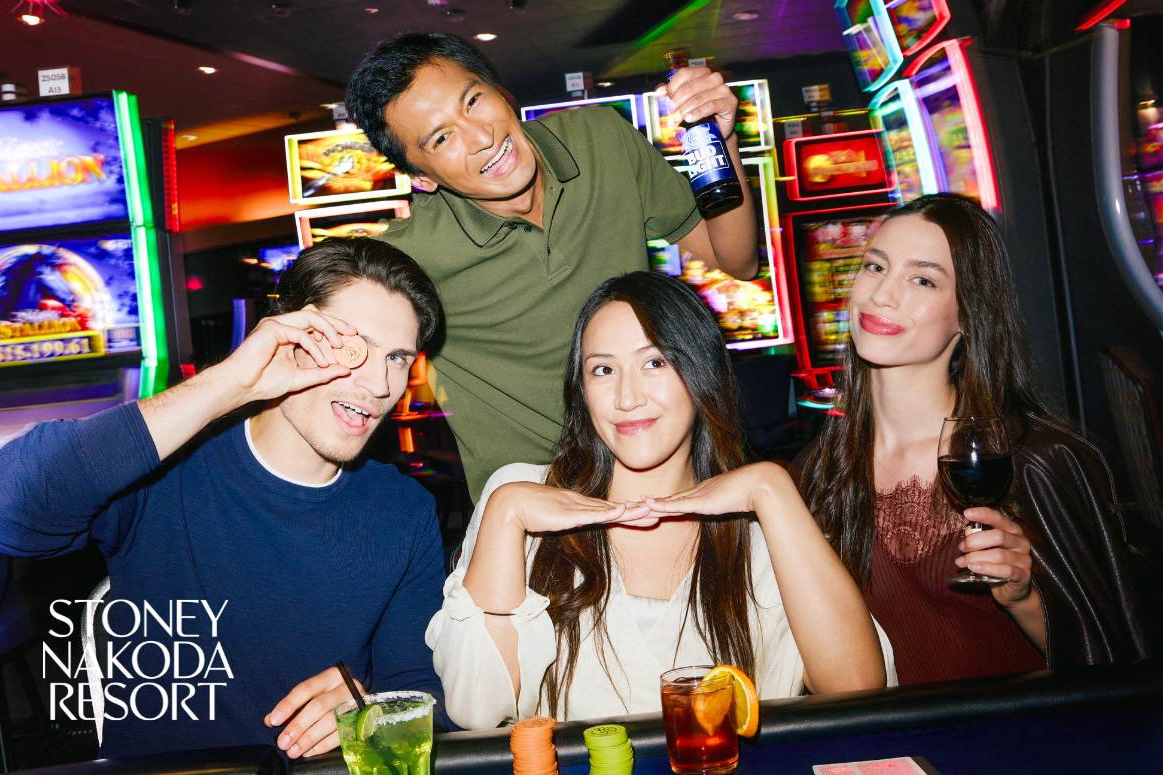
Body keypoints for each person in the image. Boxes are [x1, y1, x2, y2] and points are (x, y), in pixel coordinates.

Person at [0, 239, 451, 759]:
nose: (379, 384)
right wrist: (229, 385)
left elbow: (425, 695)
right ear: (290, 335)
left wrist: (369, 702)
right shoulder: (167, 471)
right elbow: (2, 510)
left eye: (396, 358)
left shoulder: (404, 510)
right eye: (353, 346)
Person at [425, 272, 894, 729]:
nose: (627, 398)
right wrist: (505, 512)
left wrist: (771, 488)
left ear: (701, 372)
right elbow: (475, 710)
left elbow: (858, 691)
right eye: (603, 369)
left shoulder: (760, 526)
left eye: (655, 363)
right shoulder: (523, 498)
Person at [346, 32, 760, 502]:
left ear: (499, 90)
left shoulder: (601, 140)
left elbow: (738, 260)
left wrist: (721, 138)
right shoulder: (408, 259)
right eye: (442, 138)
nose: (482, 138)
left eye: (474, 101)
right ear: (421, 177)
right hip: (541, 513)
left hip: (669, 476)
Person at [793, 193, 1158, 685]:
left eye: (922, 280)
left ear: (968, 314)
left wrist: (1022, 597)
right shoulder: (816, 472)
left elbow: (1114, 667)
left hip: (1019, 731)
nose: (882, 295)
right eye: (876, 267)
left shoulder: (1038, 460)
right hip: (884, 732)